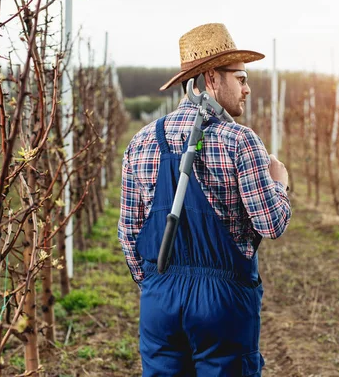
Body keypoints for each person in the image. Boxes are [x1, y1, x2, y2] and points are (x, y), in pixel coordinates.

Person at [118, 23, 291, 376]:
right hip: (222, 302)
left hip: (159, 298)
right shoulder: (240, 141)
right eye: (240, 78)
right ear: (212, 79)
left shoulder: (141, 141)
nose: (247, 88)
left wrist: (156, 284)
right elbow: (271, 224)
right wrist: (280, 183)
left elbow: (129, 233)